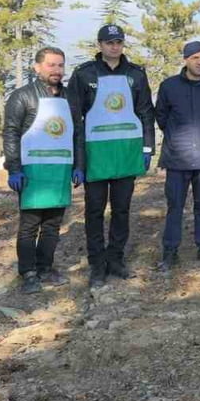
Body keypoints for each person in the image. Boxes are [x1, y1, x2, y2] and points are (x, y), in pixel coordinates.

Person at [67, 24, 155, 289]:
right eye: (109, 42)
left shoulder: (136, 74)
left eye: (118, 42)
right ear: (100, 45)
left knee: (122, 209)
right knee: (94, 211)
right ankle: (97, 264)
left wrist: (147, 148)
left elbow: (146, 112)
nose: (114, 47)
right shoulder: (84, 74)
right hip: (95, 155)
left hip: (127, 153)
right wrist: (77, 160)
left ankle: (116, 259)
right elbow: (74, 118)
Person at [3, 47, 76, 294]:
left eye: (60, 65)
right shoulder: (22, 96)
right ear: (37, 67)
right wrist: (14, 168)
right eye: (51, 65)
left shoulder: (69, 97)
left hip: (60, 169)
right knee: (30, 225)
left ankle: (46, 267)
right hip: (32, 170)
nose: (56, 70)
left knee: (53, 224)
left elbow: (75, 132)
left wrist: (80, 166)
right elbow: (11, 132)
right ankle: (28, 273)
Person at [154, 41, 200, 272]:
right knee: (175, 206)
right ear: (186, 60)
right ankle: (170, 251)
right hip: (177, 158)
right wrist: (178, 136)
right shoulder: (169, 86)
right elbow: (162, 117)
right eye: (195, 58)